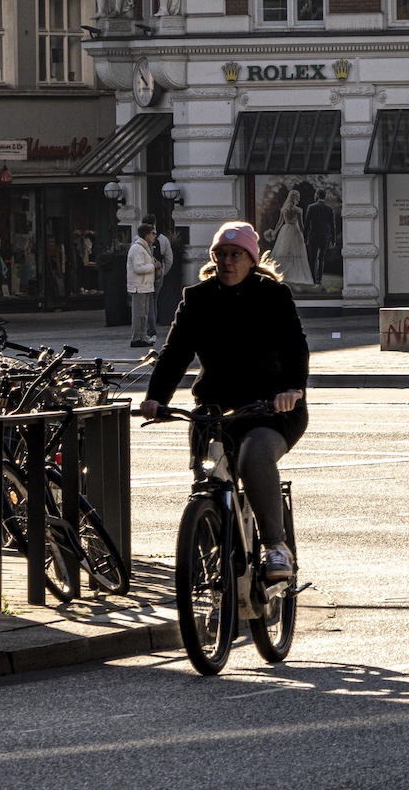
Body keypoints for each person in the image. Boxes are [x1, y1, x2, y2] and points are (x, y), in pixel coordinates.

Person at [137, 223, 310, 583]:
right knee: (206, 478)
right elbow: (175, 353)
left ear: (251, 259)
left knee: (253, 457)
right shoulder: (198, 298)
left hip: (271, 408)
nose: (227, 262)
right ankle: (211, 564)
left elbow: (295, 346)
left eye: (236, 255)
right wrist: (156, 398)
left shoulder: (272, 295)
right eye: (221, 255)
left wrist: (292, 389)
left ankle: (275, 546)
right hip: (215, 410)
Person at [128, 222, 163, 347]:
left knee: (144, 314)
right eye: (153, 233)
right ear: (146, 235)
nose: (155, 236)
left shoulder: (146, 248)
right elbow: (138, 268)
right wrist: (153, 266)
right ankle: (136, 338)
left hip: (146, 285)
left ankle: (141, 337)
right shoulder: (137, 248)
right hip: (139, 286)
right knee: (138, 314)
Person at [273, 194, 316, 288]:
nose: (299, 200)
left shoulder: (284, 209)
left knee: (284, 251)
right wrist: (305, 236)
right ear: (295, 198)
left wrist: (274, 232)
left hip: (285, 231)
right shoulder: (299, 210)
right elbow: (301, 225)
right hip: (295, 231)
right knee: (296, 253)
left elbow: (279, 223)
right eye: (298, 198)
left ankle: (284, 274)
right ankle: (293, 275)